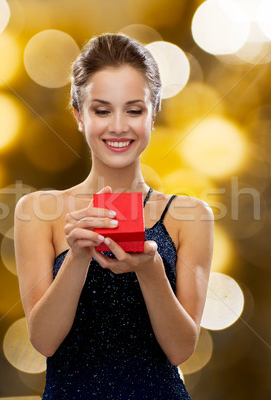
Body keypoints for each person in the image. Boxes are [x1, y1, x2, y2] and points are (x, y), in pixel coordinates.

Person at [14, 33, 213, 399]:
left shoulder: (190, 216)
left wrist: (150, 269)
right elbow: (43, 341)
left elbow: (181, 349)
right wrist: (76, 256)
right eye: (102, 110)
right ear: (79, 116)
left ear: (154, 115)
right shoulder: (38, 213)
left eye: (134, 110)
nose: (118, 126)